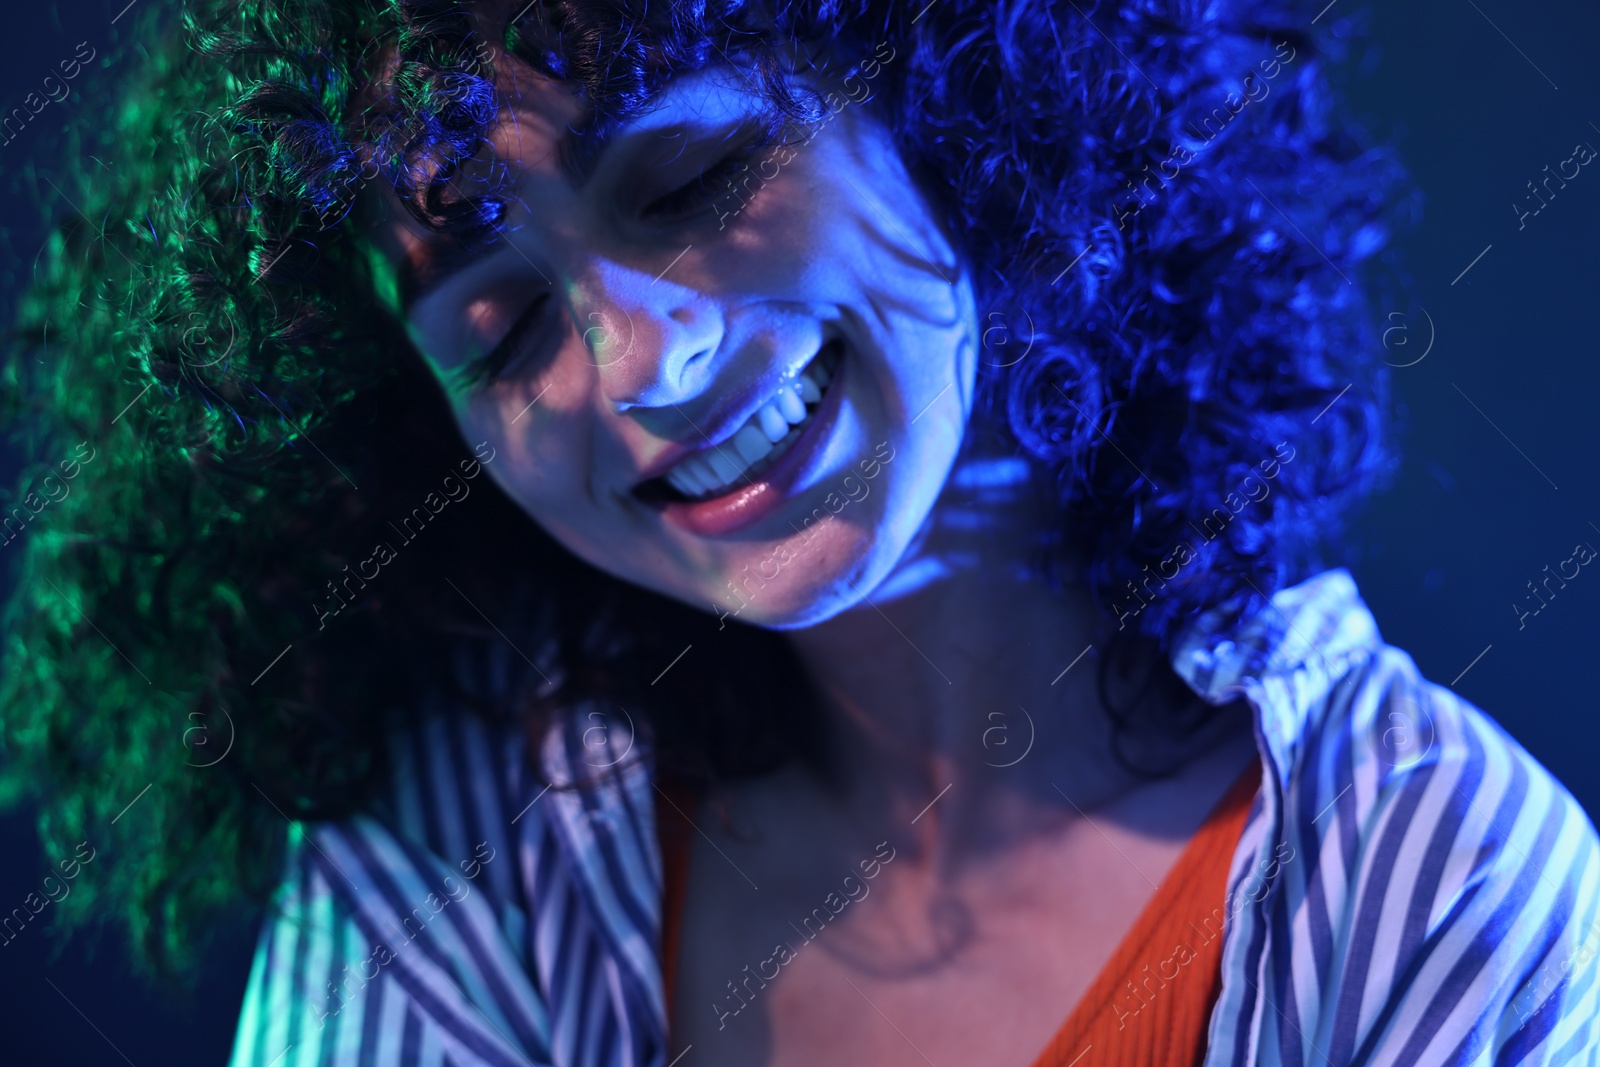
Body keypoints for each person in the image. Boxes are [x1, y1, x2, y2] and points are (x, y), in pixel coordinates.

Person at [2, 0, 1595, 1064]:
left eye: (688, 179)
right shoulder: (460, 843)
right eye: (499, 329)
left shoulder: (1435, 875)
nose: (639, 362)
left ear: (955, 91)